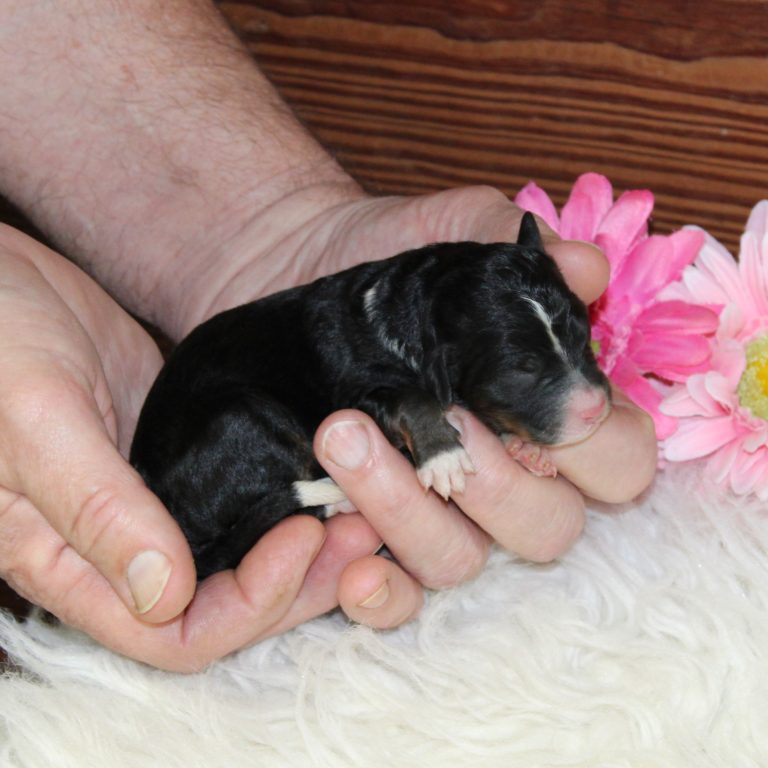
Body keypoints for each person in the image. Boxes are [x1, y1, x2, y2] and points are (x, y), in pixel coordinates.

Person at [0, 0, 656, 671]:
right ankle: (288, 500)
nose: (590, 395)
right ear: (443, 350)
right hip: (216, 435)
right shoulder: (397, 349)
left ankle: (302, 499)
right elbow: (390, 399)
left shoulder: (426, 323)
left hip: (261, 406)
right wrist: (431, 439)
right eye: (533, 369)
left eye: (579, 348)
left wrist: (289, 225)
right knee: (272, 437)